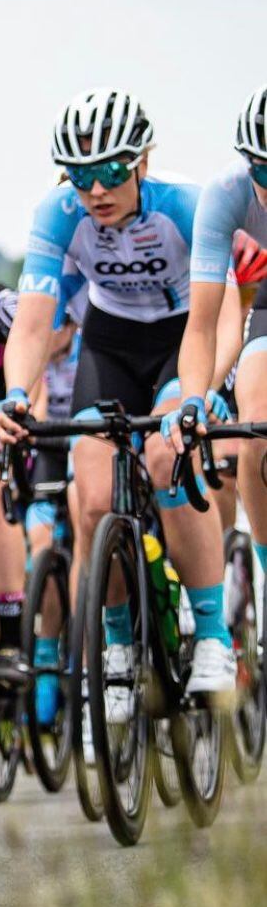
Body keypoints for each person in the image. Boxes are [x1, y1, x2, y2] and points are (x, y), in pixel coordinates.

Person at [0, 88, 240, 694]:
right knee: (95, 496)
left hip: (185, 337)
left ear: (141, 164)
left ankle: (213, 636)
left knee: (167, 456)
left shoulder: (186, 205)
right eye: (81, 177)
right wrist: (18, 393)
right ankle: (119, 646)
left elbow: (225, 313)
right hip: (109, 344)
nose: (95, 190)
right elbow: (31, 322)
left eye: (109, 172)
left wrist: (203, 389)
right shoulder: (58, 214)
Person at [169, 82, 267, 594]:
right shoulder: (226, 194)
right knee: (258, 420)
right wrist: (194, 397)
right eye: (263, 171)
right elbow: (203, 323)